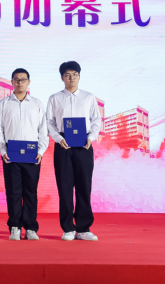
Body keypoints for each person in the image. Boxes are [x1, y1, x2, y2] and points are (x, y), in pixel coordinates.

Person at [47, 61, 101, 242]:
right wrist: (58, 138)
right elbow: (49, 122)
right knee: (65, 187)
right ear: (62, 77)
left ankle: (83, 228)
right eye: (68, 75)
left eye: (75, 74)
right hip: (63, 144)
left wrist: (91, 137)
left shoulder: (88, 97)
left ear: (79, 76)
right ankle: (68, 228)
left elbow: (96, 120)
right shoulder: (55, 98)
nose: (71, 78)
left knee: (84, 186)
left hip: (84, 144)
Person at [0, 68, 48, 241]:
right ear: (12, 82)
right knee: (13, 192)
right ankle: (15, 227)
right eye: (17, 79)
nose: (20, 82)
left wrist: (40, 151)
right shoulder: (3, 104)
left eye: (23, 80)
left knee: (30, 192)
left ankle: (30, 227)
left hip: (32, 155)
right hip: (11, 155)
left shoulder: (37, 104)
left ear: (28, 82)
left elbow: (43, 130)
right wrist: (3, 151)